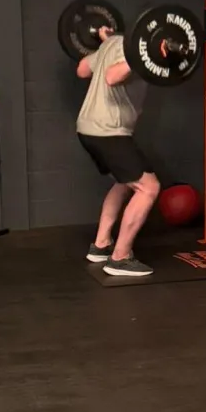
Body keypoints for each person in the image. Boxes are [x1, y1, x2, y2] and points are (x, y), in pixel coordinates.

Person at [76, 26, 159, 277]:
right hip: (109, 131)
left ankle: (101, 245)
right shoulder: (135, 51)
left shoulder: (112, 44)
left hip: (88, 128)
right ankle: (120, 258)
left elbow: (82, 70)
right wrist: (146, 55)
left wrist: (106, 42)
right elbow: (112, 76)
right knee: (148, 188)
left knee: (123, 183)